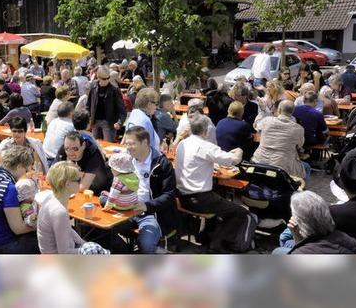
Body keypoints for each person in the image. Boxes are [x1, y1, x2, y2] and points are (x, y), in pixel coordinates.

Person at [176, 114, 250, 253]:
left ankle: (207, 235)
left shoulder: (183, 143)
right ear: (206, 130)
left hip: (181, 195)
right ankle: (217, 243)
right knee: (240, 212)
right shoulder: (205, 146)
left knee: (218, 200)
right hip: (199, 198)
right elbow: (233, 160)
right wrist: (239, 150)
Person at [122, 127, 177, 254]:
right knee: (106, 230)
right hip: (127, 210)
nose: (128, 147)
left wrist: (147, 206)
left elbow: (169, 195)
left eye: (132, 144)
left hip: (152, 214)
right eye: (127, 144)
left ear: (145, 142)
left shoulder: (162, 164)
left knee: (145, 246)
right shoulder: (127, 160)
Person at [0, 145, 39, 253]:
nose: (27, 174)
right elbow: (18, 229)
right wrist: (45, 225)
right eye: (26, 170)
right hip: (4, 243)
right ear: (19, 167)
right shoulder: (9, 188)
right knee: (50, 238)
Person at [276, 191, 356, 254]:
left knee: (278, 250)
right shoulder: (347, 238)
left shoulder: (300, 254)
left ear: (300, 222)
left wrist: (297, 237)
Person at [36, 161, 87, 254]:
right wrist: (87, 250)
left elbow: (67, 228)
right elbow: (65, 253)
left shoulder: (52, 197)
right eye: (79, 180)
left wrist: (84, 244)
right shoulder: (59, 211)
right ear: (67, 184)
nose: (81, 182)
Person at [252, 100, 309, 180]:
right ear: (292, 112)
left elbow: (256, 125)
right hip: (283, 165)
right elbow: (300, 145)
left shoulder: (267, 121)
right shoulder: (298, 129)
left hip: (260, 160)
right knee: (307, 167)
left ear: (278, 110)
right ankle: (301, 191)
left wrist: (263, 111)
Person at [55, 131, 112, 195]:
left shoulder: (93, 154)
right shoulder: (65, 148)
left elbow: (82, 188)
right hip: (75, 188)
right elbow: (51, 176)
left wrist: (61, 182)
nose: (70, 153)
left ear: (83, 145)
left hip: (97, 193)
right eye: (67, 148)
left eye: (75, 149)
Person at [87, 66, 127, 142]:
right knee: (96, 146)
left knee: (107, 146)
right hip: (95, 122)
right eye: (104, 79)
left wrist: (119, 122)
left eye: (108, 78)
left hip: (109, 123)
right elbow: (88, 105)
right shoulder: (93, 87)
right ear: (98, 77)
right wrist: (88, 119)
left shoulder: (114, 90)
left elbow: (122, 110)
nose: (107, 80)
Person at [125, 88, 160, 152]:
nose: (157, 107)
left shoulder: (133, 115)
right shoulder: (145, 121)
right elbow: (149, 148)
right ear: (149, 104)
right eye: (156, 103)